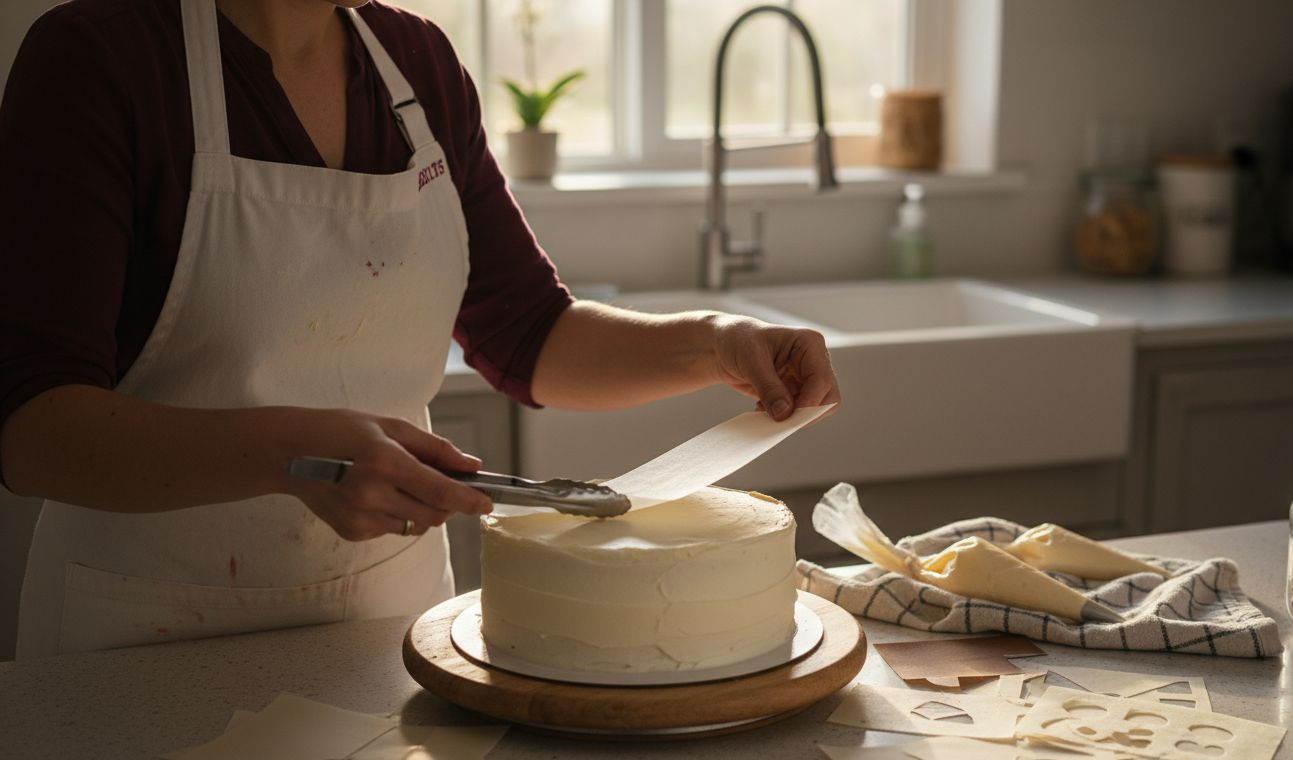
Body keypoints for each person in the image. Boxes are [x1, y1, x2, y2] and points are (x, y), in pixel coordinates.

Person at [0, 0, 841, 659]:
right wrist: (295, 456)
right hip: (145, 639)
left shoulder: (418, 65)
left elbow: (530, 335)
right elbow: (32, 428)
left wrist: (714, 342)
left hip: (384, 629)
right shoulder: (100, 59)